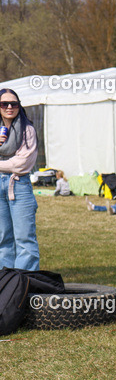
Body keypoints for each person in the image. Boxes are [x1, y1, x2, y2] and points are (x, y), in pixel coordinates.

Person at [0, 88, 39, 270]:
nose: (9, 107)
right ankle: (5, 285)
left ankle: (26, 283)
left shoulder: (27, 129)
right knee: (3, 238)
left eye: (14, 104)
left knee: (24, 238)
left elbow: (22, 164)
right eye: (4, 104)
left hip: (19, 185)